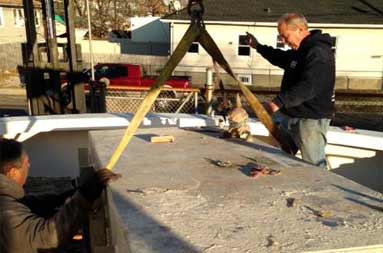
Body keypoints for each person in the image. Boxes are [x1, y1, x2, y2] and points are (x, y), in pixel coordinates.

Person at [246, 13, 335, 168]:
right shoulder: (300, 50)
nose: (283, 41)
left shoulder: (318, 52)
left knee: (313, 165)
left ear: (300, 29)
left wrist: (277, 103)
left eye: (285, 36)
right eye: (281, 37)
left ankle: (317, 191)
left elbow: (309, 87)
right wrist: (258, 46)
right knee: (283, 157)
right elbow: (281, 57)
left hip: (310, 120)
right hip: (291, 115)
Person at [0, 137, 120, 253]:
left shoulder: (7, 199)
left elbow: (30, 203)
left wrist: (68, 196)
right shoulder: (6, 214)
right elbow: (46, 238)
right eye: (26, 162)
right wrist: (85, 195)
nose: (29, 165)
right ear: (12, 172)